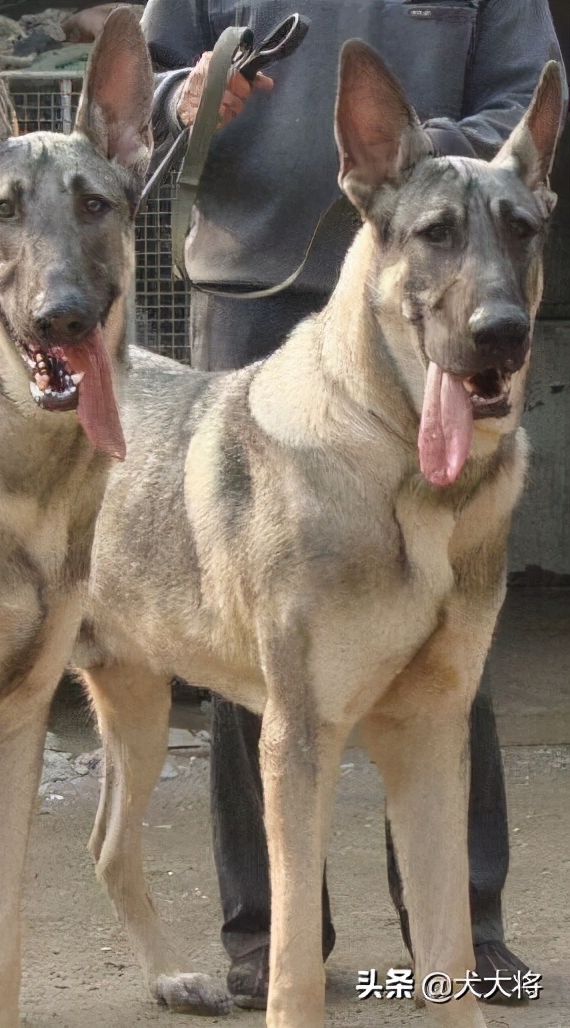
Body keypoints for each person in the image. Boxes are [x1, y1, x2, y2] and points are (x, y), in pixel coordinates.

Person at [140, 0, 564, 1009]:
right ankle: (266, 945)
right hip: (260, 288)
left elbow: (527, 91)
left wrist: (413, 171)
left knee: (443, 617)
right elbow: (149, 86)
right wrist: (183, 94)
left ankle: (457, 939)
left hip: (434, 269)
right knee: (260, 640)